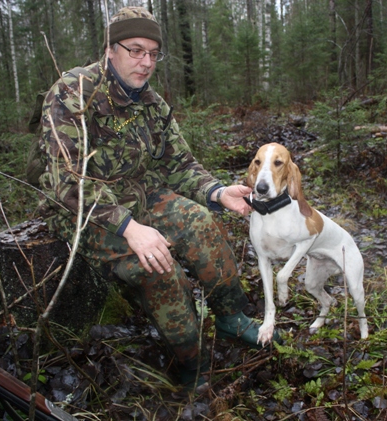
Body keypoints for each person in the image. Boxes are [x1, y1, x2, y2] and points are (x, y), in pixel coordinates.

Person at [37, 6, 280, 391]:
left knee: (201, 221)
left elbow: (179, 162)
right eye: (135, 50)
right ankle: (191, 360)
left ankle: (232, 317)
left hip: (142, 195)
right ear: (110, 48)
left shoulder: (151, 103)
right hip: (86, 212)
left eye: (153, 53)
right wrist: (130, 227)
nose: (146, 62)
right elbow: (64, 180)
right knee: (158, 265)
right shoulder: (73, 93)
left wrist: (217, 191)